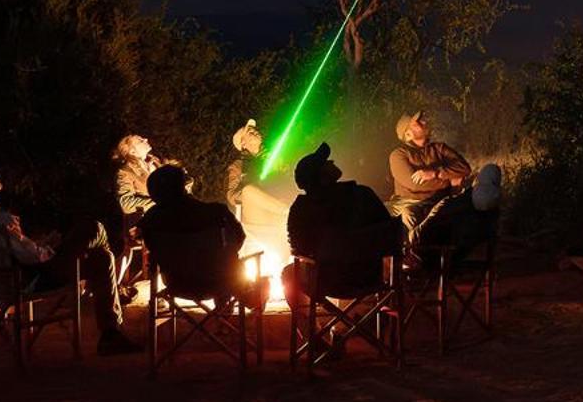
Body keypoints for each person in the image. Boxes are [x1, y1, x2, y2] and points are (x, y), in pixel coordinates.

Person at [0, 162, 140, 355]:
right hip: (29, 280)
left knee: (101, 257)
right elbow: (33, 257)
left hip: (2, 281)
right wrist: (49, 249)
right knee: (93, 228)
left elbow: (9, 249)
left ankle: (111, 334)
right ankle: (111, 333)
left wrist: (43, 245)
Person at [282, 143, 401, 304]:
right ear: (322, 176)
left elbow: (297, 247)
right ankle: (359, 322)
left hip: (325, 282)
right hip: (369, 279)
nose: (331, 162)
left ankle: (313, 327)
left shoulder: (302, 208)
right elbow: (389, 234)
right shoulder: (363, 194)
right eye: (326, 163)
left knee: (289, 273)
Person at [386, 110, 500, 258]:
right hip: (410, 201)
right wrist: (449, 181)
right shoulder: (399, 155)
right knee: (408, 214)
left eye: (422, 120)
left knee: (456, 208)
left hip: (438, 200)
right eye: (418, 122)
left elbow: (464, 168)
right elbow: (413, 184)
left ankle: (425, 255)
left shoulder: (439, 149)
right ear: (408, 134)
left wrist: (435, 173)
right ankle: (409, 256)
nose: (424, 122)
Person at [140, 165, 251, 299]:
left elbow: (153, 249)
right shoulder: (217, 212)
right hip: (220, 281)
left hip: (177, 284)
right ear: (184, 185)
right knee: (232, 263)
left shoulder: (151, 219)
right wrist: (224, 257)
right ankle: (238, 301)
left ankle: (228, 301)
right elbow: (240, 237)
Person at [227, 119, 291, 273]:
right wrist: (255, 194)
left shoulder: (276, 156)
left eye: (255, 129)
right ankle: (292, 212)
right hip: (257, 217)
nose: (255, 131)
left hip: (277, 215)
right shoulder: (238, 166)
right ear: (243, 144)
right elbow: (231, 195)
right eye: (249, 132)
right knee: (249, 191)